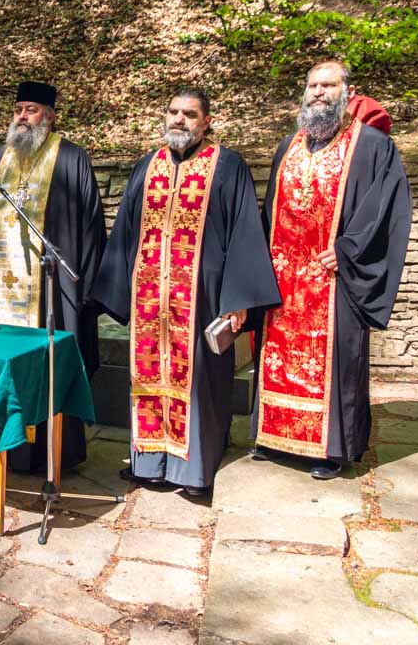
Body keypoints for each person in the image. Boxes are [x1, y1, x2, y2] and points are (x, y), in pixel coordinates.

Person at [92, 88, 280, 495]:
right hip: (150, 300)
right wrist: (116, 289)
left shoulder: (227, 166)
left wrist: (237, 299)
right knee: (147, 377)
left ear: (206, 122)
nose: (179, 119)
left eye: (189, 114)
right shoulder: (148, 166)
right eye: (173, 112)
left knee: (199, 383)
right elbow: (125, 231)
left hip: (202, 298)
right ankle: (149, 464)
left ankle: (192, 472)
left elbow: (245, 233)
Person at [252, 61, 411, 479]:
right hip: (284, 278)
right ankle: (273, 436)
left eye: (328, 85)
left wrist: (348, 249)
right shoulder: (287, 145)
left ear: (348, 92)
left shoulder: (372, 146)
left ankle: (331, 449)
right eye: (313, 86)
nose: (319, 92)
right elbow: (269, 213)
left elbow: (385, 209)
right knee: (275, 357)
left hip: (333, 278)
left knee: (336, 363)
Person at [0, 80, 106, 472]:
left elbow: (89, 227)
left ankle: (46, 453)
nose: (22, 117)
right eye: (18, 109)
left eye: (32, 110)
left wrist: (84, 288)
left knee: (46, 364)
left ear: (50, 116)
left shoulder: (71, 158)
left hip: (48, 292)